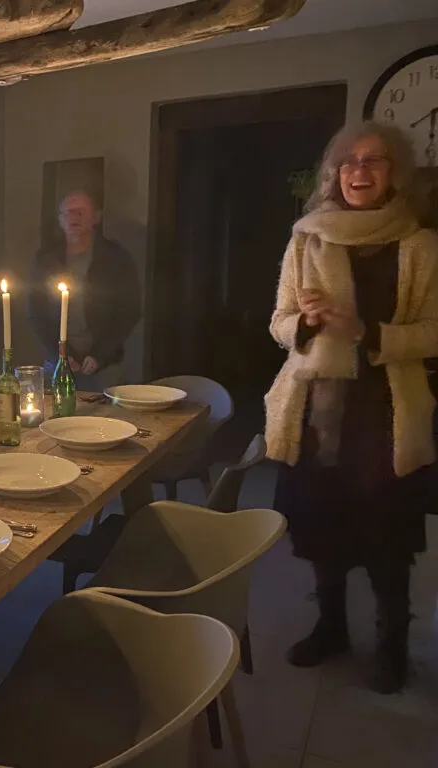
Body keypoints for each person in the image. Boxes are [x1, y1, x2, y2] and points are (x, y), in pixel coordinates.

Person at [266, 122, 438, 694]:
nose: (359, 172)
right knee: (323, 527)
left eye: (374, 161)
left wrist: (364, 331)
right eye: (348, 162)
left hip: (386, 412)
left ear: (395, 173)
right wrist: (307, 323)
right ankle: (331, 626)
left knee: (387, 538)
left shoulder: (419, 244)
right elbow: (279, 325)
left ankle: (392, 646)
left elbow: (433, 333)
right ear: (333, 174)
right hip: (321, 411)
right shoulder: (306, 240)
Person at [26, 190, 141, 390]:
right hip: (58, 361)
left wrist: (100, 354)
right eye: (68, 213)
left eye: (81, 212)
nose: (74, 218)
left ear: (96, 217)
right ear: (60, 220)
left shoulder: (115, 258)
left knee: (106, 419)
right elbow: (36, 312)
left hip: (105, 365)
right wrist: (60, 353)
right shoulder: (46, 259)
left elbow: (129, 311)